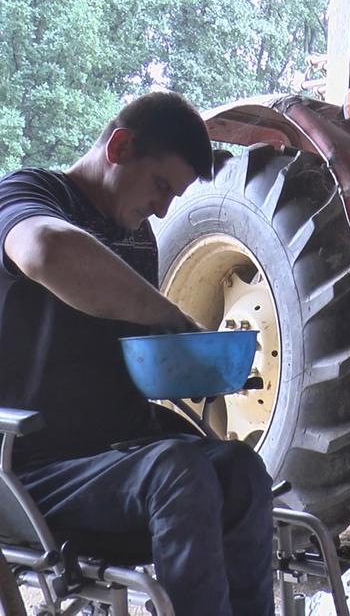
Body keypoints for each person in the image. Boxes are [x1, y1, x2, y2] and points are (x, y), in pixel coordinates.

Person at [0, 92, 275, 615]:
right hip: (30, 468)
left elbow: (130, 352)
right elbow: (46, 250)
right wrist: (171, 316)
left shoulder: (138, 238)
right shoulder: (27, 192)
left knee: (241, 471)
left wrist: (201, 362)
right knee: (176, 471)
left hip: (115, 457)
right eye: (161, 186)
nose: (165, 208)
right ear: (120, 147)